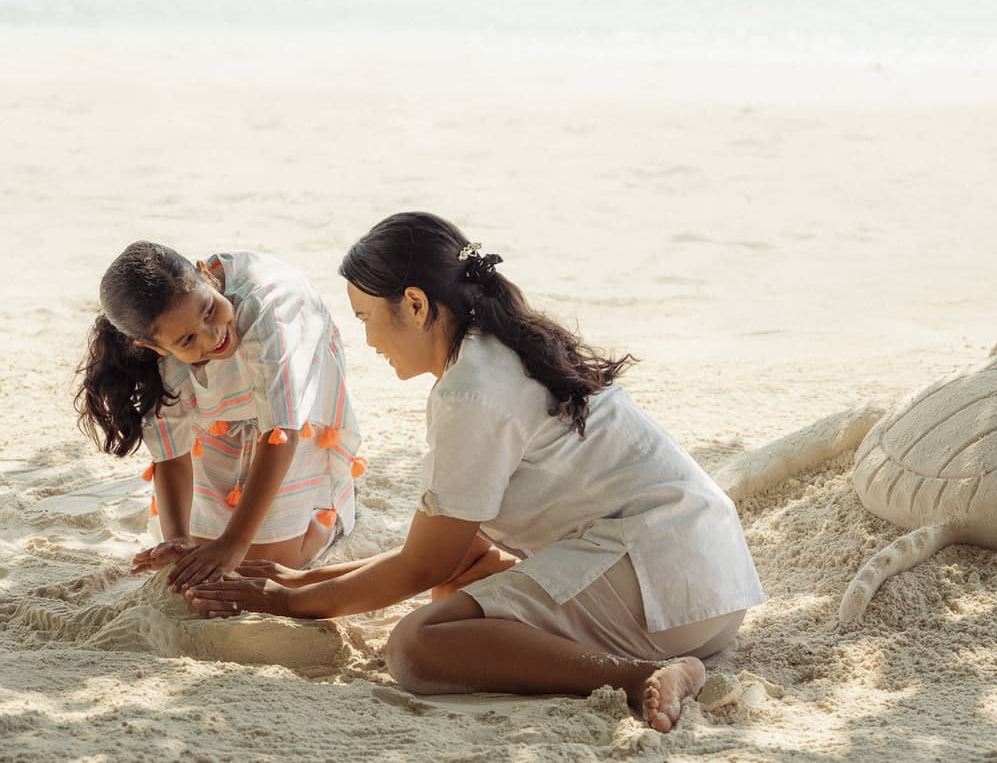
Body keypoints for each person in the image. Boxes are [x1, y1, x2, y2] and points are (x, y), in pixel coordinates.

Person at [188, 212, 765, 733]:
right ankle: (650, 660)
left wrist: (287, 603)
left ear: (415, 305)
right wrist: (296, 581)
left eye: (366, 317)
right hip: (708, 587)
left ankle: (639, 676)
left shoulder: (471, 390)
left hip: (666, 593)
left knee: (417, 645)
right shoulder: (500, 348)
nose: (368, 339)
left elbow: (424, 564)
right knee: (464, 573)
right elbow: (447, 550)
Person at [76, 242, 363, 592]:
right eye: (187, 339)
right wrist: (178, 540)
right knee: (202, 555)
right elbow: (172, 455)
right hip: (225, 410)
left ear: (206, 275)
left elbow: (281, 432)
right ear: (153, 348)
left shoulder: (269, 312)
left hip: (291, 409)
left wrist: (234, 542)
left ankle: (327, 519)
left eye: (210, 310)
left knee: (262, 564)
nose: (213, 336)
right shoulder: (162, 350)